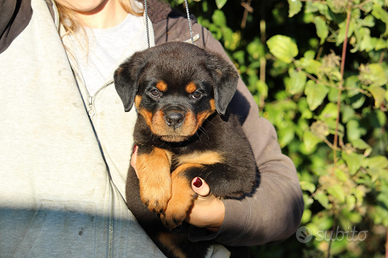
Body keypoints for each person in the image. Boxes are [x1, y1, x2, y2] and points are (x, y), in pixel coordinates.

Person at [0, 0, 304, 257]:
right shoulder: (10, 18)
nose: (173, 113)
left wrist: (213, 214)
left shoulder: (184, 35)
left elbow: (281, 196)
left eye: (195, 94)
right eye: (155, 93)